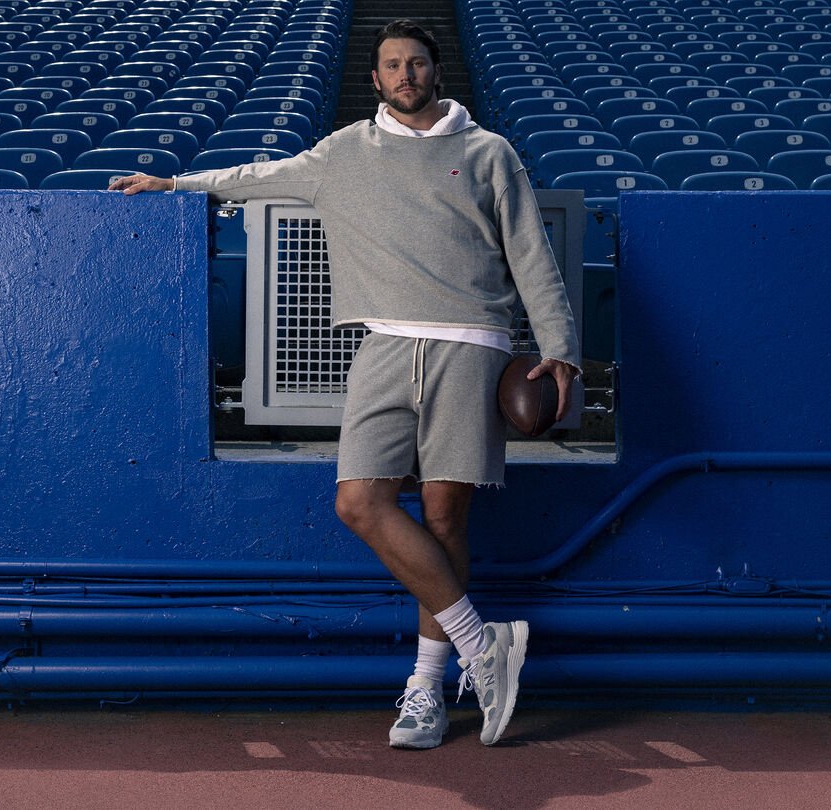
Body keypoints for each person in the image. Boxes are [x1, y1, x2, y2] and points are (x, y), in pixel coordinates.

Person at [112, 20, 581, 749]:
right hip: (383, 343)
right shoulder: (344, 153)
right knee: (359, 502)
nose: (406, 75)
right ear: (376, 79)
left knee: (445, 517)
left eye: (417, 63)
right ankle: (482, 645)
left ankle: (426, 689)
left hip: (471, 343)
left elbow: (531, 251)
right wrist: (176, 181)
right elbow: (261, 176)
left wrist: (561, 348)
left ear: (435, 72)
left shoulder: (489, 151)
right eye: (392, 64)